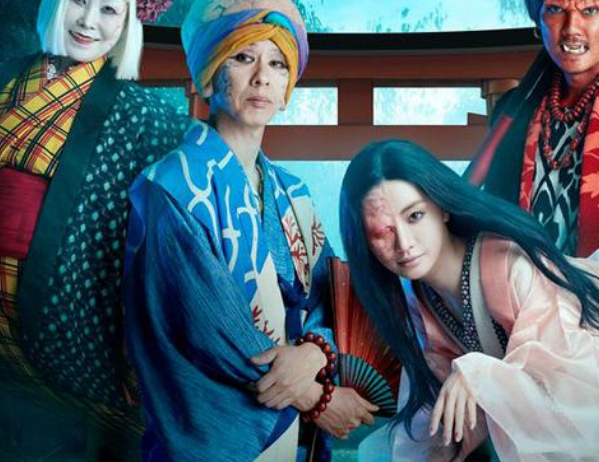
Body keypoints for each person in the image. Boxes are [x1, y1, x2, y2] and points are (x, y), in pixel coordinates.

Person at [124, 1, 377, 461]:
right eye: (243, 57)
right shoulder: (172, 187)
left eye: (278, 64)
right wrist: (317, 399)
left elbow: (335, 296)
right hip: (214, 431)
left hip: (297, 435)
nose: (262, 78)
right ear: (210, 74)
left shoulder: (292, 192)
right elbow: (210, 331)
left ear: (287, 87)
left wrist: (317, 352)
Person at [0, 0, 187, 459]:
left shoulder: (144, 115)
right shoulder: (6, 76)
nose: (88, 22)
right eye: (79, 2)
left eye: (108, 9)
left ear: (128, 22)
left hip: (57, 338)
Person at [340, 139, 599, 462]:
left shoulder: (511, 264)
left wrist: (479, 375)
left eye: (415, 216)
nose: (404, 244)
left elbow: (576, 394)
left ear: (442, 207)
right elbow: (441, 413)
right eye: (382, 232)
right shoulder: (418, 300)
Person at [466, 0, 599, 258]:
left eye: (590, 11)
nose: (571, 28)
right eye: (555, 9)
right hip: (517, 276)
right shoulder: (514, 110)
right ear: (539, 20)